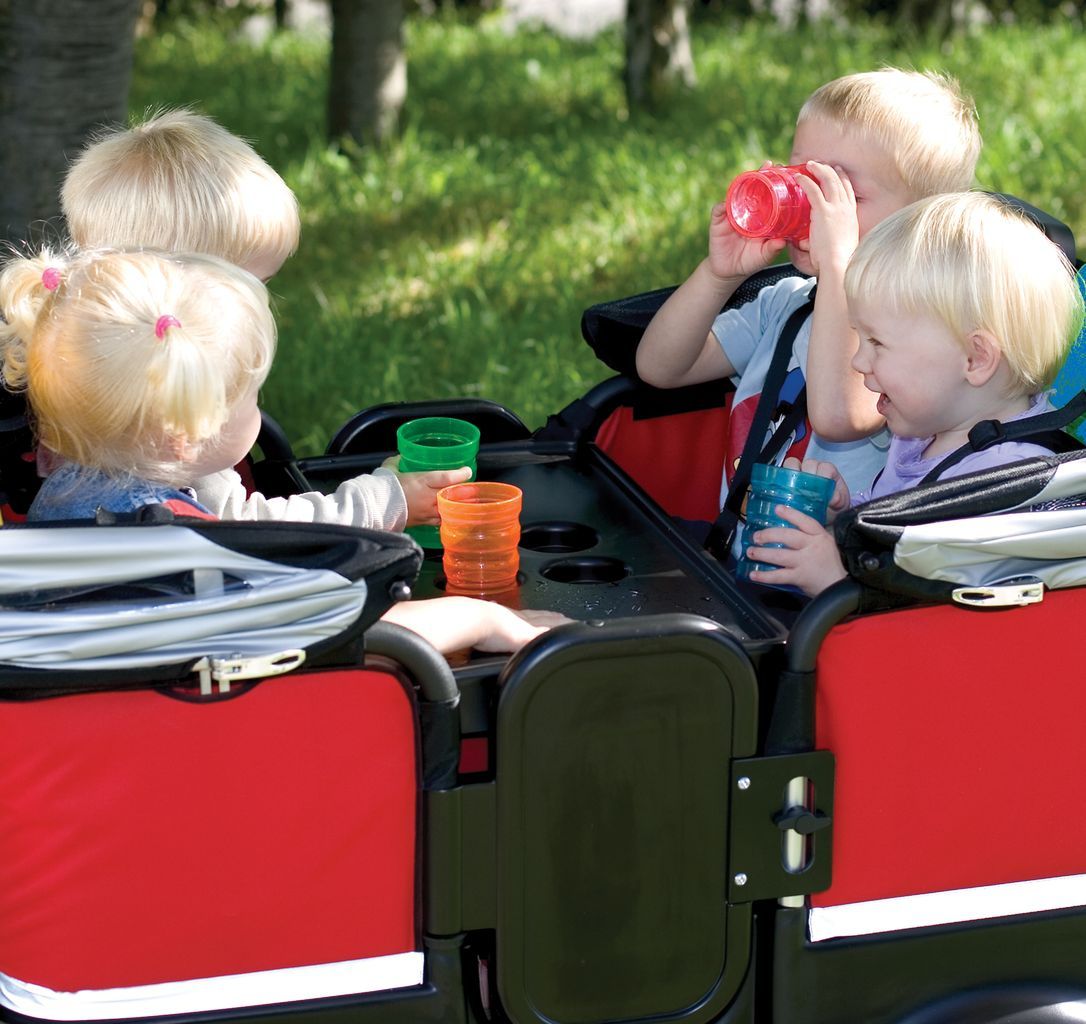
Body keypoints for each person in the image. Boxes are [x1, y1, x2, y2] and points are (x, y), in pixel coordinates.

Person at [0, 247, 564, 653]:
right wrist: (476, 616)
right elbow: (330, 623)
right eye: (251, 397)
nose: (259, 408)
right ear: (185, 435)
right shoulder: (191, 555)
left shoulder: (62, 480)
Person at [58, 108, 465, 531]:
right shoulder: (173, 421)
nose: (262, 305)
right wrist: (388, 499)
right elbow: (252, 534)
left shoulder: (82, 370)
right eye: (254, 286)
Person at [635, 68, 981, 536]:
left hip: (836, 588)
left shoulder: (912, 340)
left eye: (844, 194)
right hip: (743, 569)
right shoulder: (788, 305)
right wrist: (719, 275)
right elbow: (661, 367)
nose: (816, 207)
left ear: (919, 220)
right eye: (803, 178)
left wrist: (840, 262)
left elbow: (841, 418)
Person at [743, 191, 1086, 596]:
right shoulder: (924, 433)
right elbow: (895, 536)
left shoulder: (1006, 488)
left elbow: (941, 626)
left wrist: (834, 581)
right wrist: (846, 515)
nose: (858, 362)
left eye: (877, 343)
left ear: (975, 360)